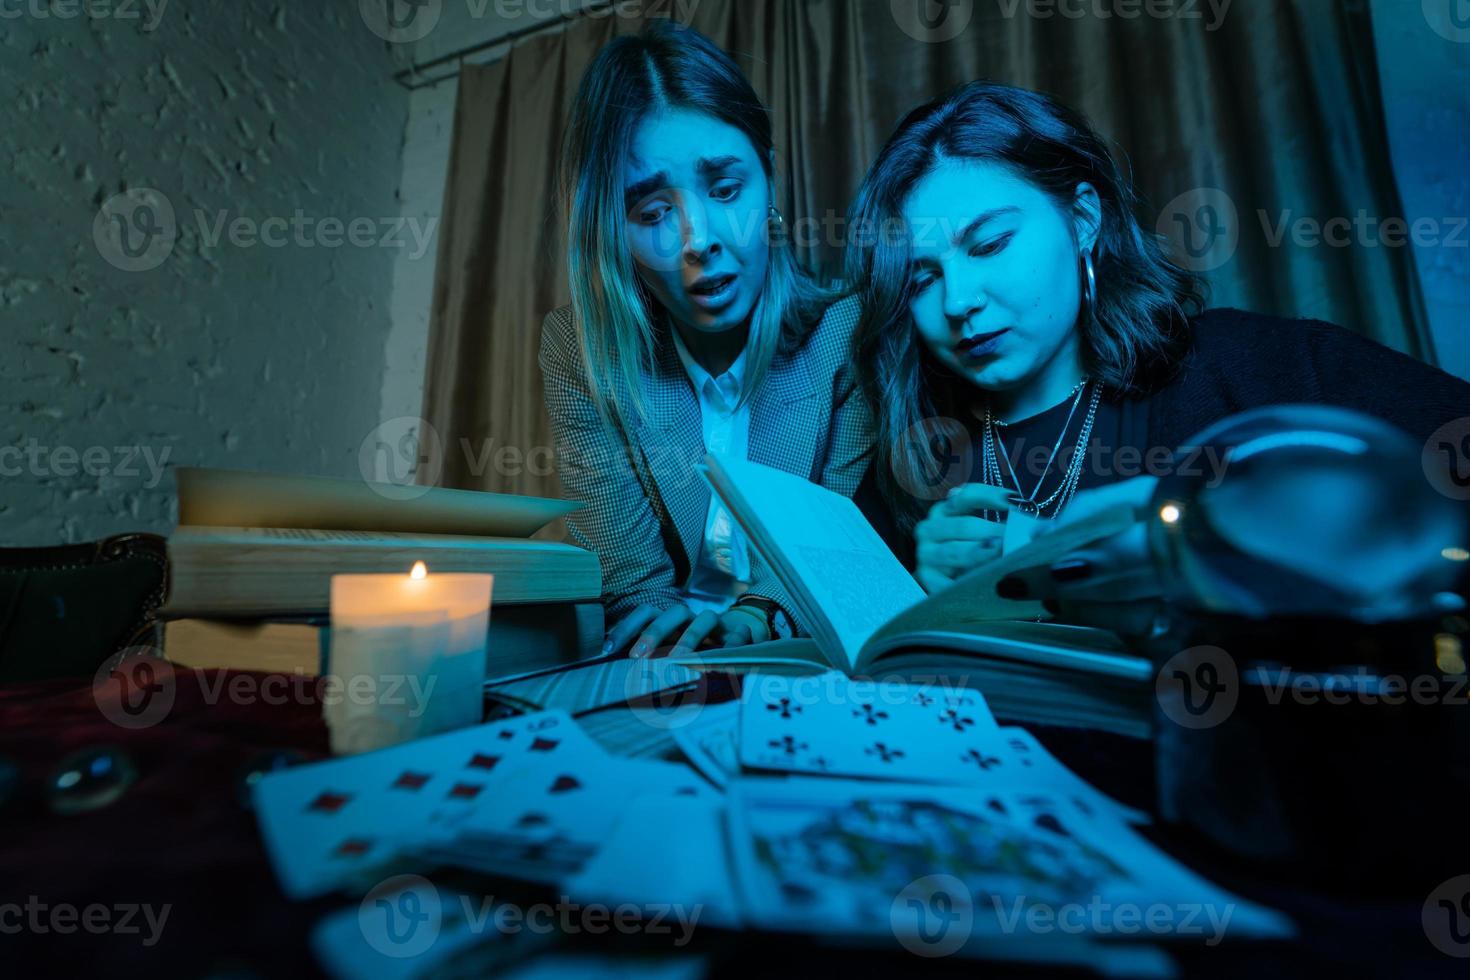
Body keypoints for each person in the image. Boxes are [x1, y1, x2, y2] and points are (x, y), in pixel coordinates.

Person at [845, 80, 1470, 627]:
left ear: (1083, 218)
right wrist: (926, 602)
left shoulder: (1257, 365)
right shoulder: (913, 466)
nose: (958, 301)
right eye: (921, 279)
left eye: (990, 244)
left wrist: (1209, 561)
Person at [540, 21, 871, 659]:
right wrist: (668, 641)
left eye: (724, 189)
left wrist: (754, 619)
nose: (698, 240)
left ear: (770, 176)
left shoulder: (846, 335)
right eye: (653, 212)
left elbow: (831, 551)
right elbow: (633, 585)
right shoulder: (577, 352)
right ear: (614, 228)